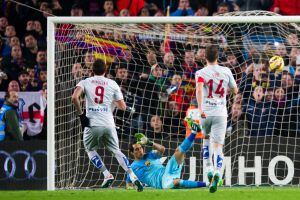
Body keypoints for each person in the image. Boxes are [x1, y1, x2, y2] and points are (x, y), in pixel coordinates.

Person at [71, 59, 143, 191]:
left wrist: (81, 115)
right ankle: (133, 176)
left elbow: (74, 97)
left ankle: (107, 174)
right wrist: (111, 101)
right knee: (116, 151)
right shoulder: (112, 83)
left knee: (90, 149)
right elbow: (122, 107)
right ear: (106, 71)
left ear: (92, 71)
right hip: (109, 123)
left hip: (92, 122)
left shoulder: (85, 82)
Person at [195, 44, 238, 193]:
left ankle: (209, 168)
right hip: (221, 113)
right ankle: (218, 172)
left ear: (204, 57)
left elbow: (199, 90)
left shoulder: (200, 72)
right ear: (218, 57)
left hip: (205, 113)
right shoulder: (226, 71)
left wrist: (200, 109)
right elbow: (235, 90)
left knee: (206, 139)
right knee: (218, 146)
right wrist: (228, 89)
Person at [126, 118, 207, 189]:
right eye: (136, 149)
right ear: (131, 153)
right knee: (177, 182)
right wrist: (131, 187)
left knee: (178, 151)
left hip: (168, 170)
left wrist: (149, 142)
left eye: (140, 148)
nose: (140, 150)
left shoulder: (150, 155)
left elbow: (162, 149)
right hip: (162, 183)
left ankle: (194, 132)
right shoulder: (132, 168)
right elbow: (128, 184)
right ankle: (207, 184)